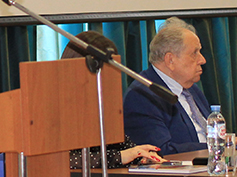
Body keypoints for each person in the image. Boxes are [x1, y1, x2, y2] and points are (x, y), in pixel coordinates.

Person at [122, 17, 237, 155]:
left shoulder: (191, 88)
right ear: (170, 60)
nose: (202, 60)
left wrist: (228, 143)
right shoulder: (142, 96)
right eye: (194, 53)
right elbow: (161, 150)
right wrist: (220, 146)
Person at [62, 31, 163, 169]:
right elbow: (62, 161)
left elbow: (124, 148)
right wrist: (119, 157)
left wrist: (141, 155)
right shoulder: (54, 107)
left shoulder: (104, 104)